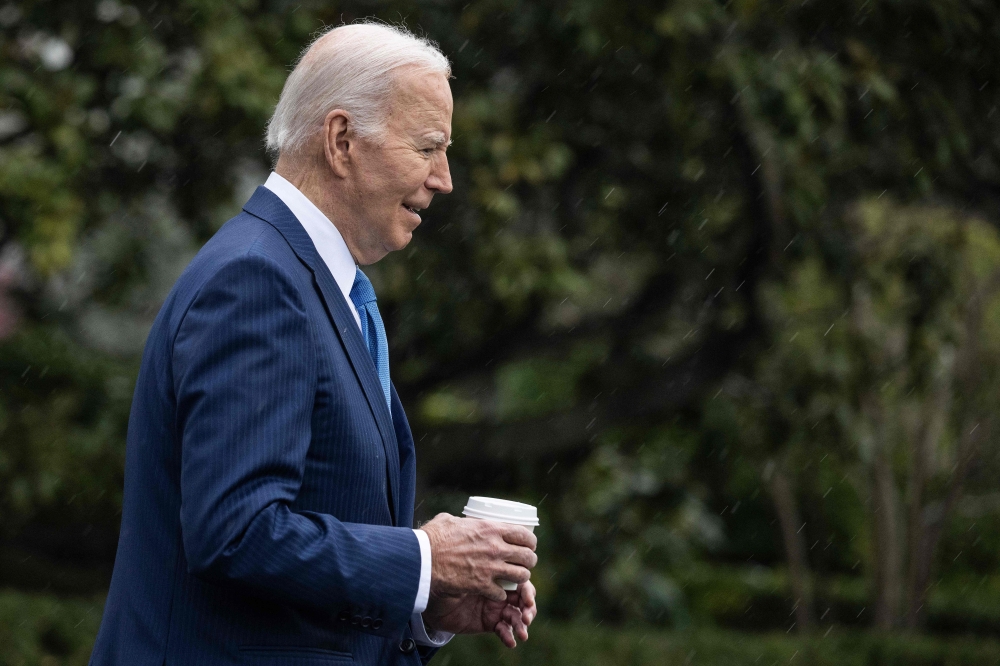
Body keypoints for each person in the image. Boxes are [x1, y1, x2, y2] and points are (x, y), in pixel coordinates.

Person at [88, 21, 538, 666]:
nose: (444, 178)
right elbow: (236, 532)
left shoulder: (311, 280)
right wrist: (423, 558)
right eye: (427, 147)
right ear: (341, 140)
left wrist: (424, 603)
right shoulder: (258, 280)